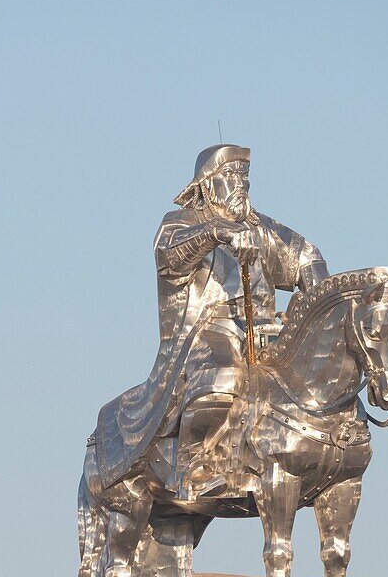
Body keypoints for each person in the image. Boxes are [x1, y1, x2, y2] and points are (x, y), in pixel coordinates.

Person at [94, 144, 328, 499]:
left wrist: (316, 302)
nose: (241, 184)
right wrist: (218, 232)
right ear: (205, 186)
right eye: (230, 176)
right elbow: (170, 256)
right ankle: (194, 465)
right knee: (221, 373)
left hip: (265, 331)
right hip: (206, 334)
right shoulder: (180, 223)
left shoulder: (261, 228)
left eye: (244, 177)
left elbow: (305, 255)